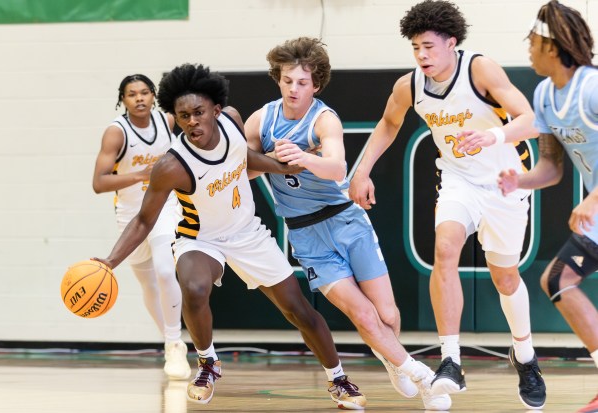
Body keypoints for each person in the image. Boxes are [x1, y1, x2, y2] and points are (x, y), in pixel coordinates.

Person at [94, 63, 367, 409]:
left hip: (246, 232)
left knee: (298, 310)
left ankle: (338, 379)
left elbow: (246, 157)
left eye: (198, 112)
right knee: (192, 286)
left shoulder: (233, 122)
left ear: (216, 111)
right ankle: (208, 362)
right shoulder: (172, 165)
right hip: (200, 238)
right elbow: (144, 220)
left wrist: (283, 165)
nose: (192, 121)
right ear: (175, 119)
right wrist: (109, 262)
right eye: (183, 116)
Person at [348, 1, 547, 409]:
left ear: (451, 43)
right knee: (444, 250)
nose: (421, 56)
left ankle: (525, 357)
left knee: (505, 277)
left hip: (505, 180)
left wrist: (491, 138)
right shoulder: (409, 86)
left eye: (428, 47)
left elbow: (530, 119)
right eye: (415, 49)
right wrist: (361, 170)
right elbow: (389, 123)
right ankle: (451, 359)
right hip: (458, 180)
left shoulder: (480, 69)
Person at [245, 36, 451, 411]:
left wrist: (304, 158)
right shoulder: (262, 120)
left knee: (387, 315)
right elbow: (243, 167)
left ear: (316, 85)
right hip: (307, 235)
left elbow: (337, 167)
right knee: (362, 313)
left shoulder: (324, 119)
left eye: (303, 82)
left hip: (346, 221)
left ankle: (393, 359)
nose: (294, 88)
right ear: (278, 79)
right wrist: (270, 160)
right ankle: (423, 378)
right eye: (288, 80)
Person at [498, 2, 598, 412]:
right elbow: (552, 167)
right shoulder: (544, 94)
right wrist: (518, 181)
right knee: (558, 280)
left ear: (552, 48)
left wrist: (592, 197)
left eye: (533, 43)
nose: (528, 50)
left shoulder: (591, 87)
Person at [91, 74, 190, 380]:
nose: (140, 98)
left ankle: (175, 344)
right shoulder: (116, 133)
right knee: (148, 284)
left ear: (153, 95)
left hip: (164, 208)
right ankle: (171, 340)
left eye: (145, 92)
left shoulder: (168, 122)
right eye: (132, 94)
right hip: (131, 214)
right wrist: (140, 174)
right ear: (123, 99)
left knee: (164, 269)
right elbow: (99, 183)